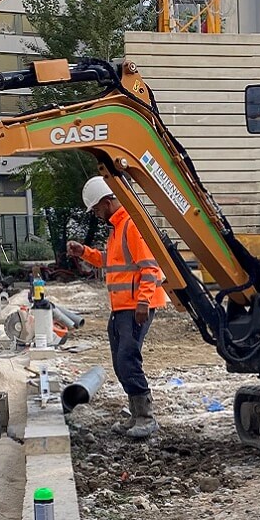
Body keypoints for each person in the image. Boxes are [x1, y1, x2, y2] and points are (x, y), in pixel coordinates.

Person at [66, 176, 167, 439]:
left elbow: (150, 267)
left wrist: (144, 301)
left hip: (136, 307)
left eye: (96, 209)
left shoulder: (131, 225)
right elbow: (109, 261)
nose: (96, 214)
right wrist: (84, 252)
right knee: (120, 361)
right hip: (123, 307)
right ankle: (136, 415)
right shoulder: (117, 228)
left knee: (127, 358)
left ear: (106, 201)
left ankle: (146, 417)